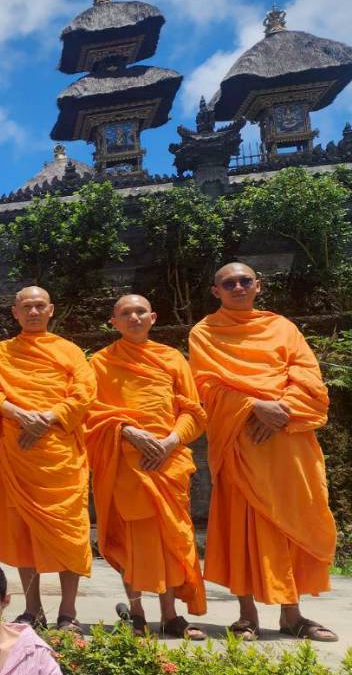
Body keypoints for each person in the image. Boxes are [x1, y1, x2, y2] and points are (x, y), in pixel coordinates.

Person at [188, 263, 339, 642]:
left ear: (259, 285)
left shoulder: (283, 328)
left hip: (288, 440)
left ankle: (293, 614)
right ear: (215, 291)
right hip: (242, 444)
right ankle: (246, 615)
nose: (238, 286)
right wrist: (255, 406)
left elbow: (309, 378)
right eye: (228, 283)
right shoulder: (205, 333)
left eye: (245, 281)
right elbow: (204, 386)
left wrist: (280, 410)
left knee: (293, 522)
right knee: (242, 527)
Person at [85, 294, 208, 639]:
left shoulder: (171, 358)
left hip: (168, 462)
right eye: (126, 313)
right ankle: (136, 615)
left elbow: (194, 412)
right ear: (114, 322)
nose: (134, 317)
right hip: (126, 462)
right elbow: (91, 413)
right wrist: (128, 431)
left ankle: (170, 615)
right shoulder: (100, 363)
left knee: (171, 539)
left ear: (153, 317)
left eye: (140, 312)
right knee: (132, 540)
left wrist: (170, 442)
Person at [0, 287, 96, 634]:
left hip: (60, 457)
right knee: (23, 532)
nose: (33, 311)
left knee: (70, 534)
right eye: (26, 307)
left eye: (39, 306)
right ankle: (33, 611)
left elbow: (84, 392)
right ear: (15, 312)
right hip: (20, 454)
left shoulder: (69, 351)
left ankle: (68, 612)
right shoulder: (4, 351)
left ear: (51, 310)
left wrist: (46, 418)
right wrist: (22, 415)